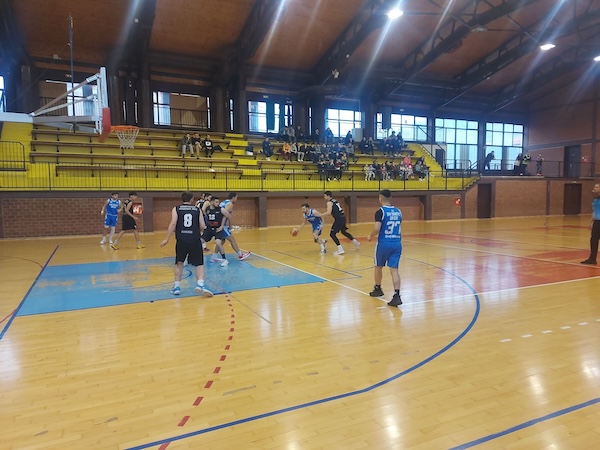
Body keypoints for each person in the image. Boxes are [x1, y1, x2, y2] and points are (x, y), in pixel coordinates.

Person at [160, 192, 213, 296]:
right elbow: (203, 225)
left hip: (181, 240)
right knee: (199, 263)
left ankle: (177, 287)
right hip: (195, 239)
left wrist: (166, 239)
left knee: (179, 263)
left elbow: (173, 223)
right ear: (192, 199)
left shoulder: (176, 209)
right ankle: (200, 285)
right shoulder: (197, 209)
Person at [366, 190, 403, 307]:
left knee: (378, 266)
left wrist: (370, 236)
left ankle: (378, 288)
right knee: (394, 270)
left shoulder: (380, 212)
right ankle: (397, 295)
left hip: (384, 243)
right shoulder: (398, 211)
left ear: (380, 198)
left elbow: (377, 228)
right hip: (396, 243)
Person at [318, 191, 360, 255]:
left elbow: (329, 212)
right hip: (343, 217)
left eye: (325, 196)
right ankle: (356, 243)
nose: (324, 197)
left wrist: (321, 215)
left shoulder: (329, 203)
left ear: (328, 196)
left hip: (339, 219)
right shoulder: (335, 200)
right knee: (343, 232)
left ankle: (340, 249)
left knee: (332, 234)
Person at [219, 192, 251, 261]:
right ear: (233, 197)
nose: (236, 199)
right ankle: (240, 255)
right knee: (232, 240)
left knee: (221, 241)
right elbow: (225, 215)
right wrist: (225, 225)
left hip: (219, 224)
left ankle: (214, 256)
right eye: (236, 198)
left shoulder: (223, 202)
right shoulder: (230, 204)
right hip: (222, 225)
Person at [203, 196, 229, 267]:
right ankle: (190, 257)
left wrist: (222, 225)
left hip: (218, 229)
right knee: (199, 241)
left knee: (218, 242)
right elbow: (204, 213)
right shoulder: (207, 209)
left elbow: (227, 215)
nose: (218, 203)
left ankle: (225, 259)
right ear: (211, 202)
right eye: (216, 202)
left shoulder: (220, 209)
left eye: (218, 202)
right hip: (209, 229)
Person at [581, 182, 600, 265]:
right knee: (593, 240)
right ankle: (592, 259)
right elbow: (595, 211)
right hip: (596, 222)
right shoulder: (595, 199)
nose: (594, 188)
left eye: (596, 187)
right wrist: (590, 222)